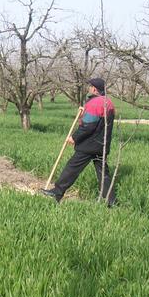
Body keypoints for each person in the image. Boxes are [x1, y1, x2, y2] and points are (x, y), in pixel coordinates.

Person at [41, 78, 117, 206]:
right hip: (102, 145)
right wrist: (84, 112)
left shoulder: (94, 103)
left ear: (94, 89)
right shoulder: (108, 102)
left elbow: (88, 126)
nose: (88, 88)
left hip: (88, 145)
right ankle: (111, 201)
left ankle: (57, 192)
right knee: (103, 173)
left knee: (72, 168)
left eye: (90, 86)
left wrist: (74, 137)